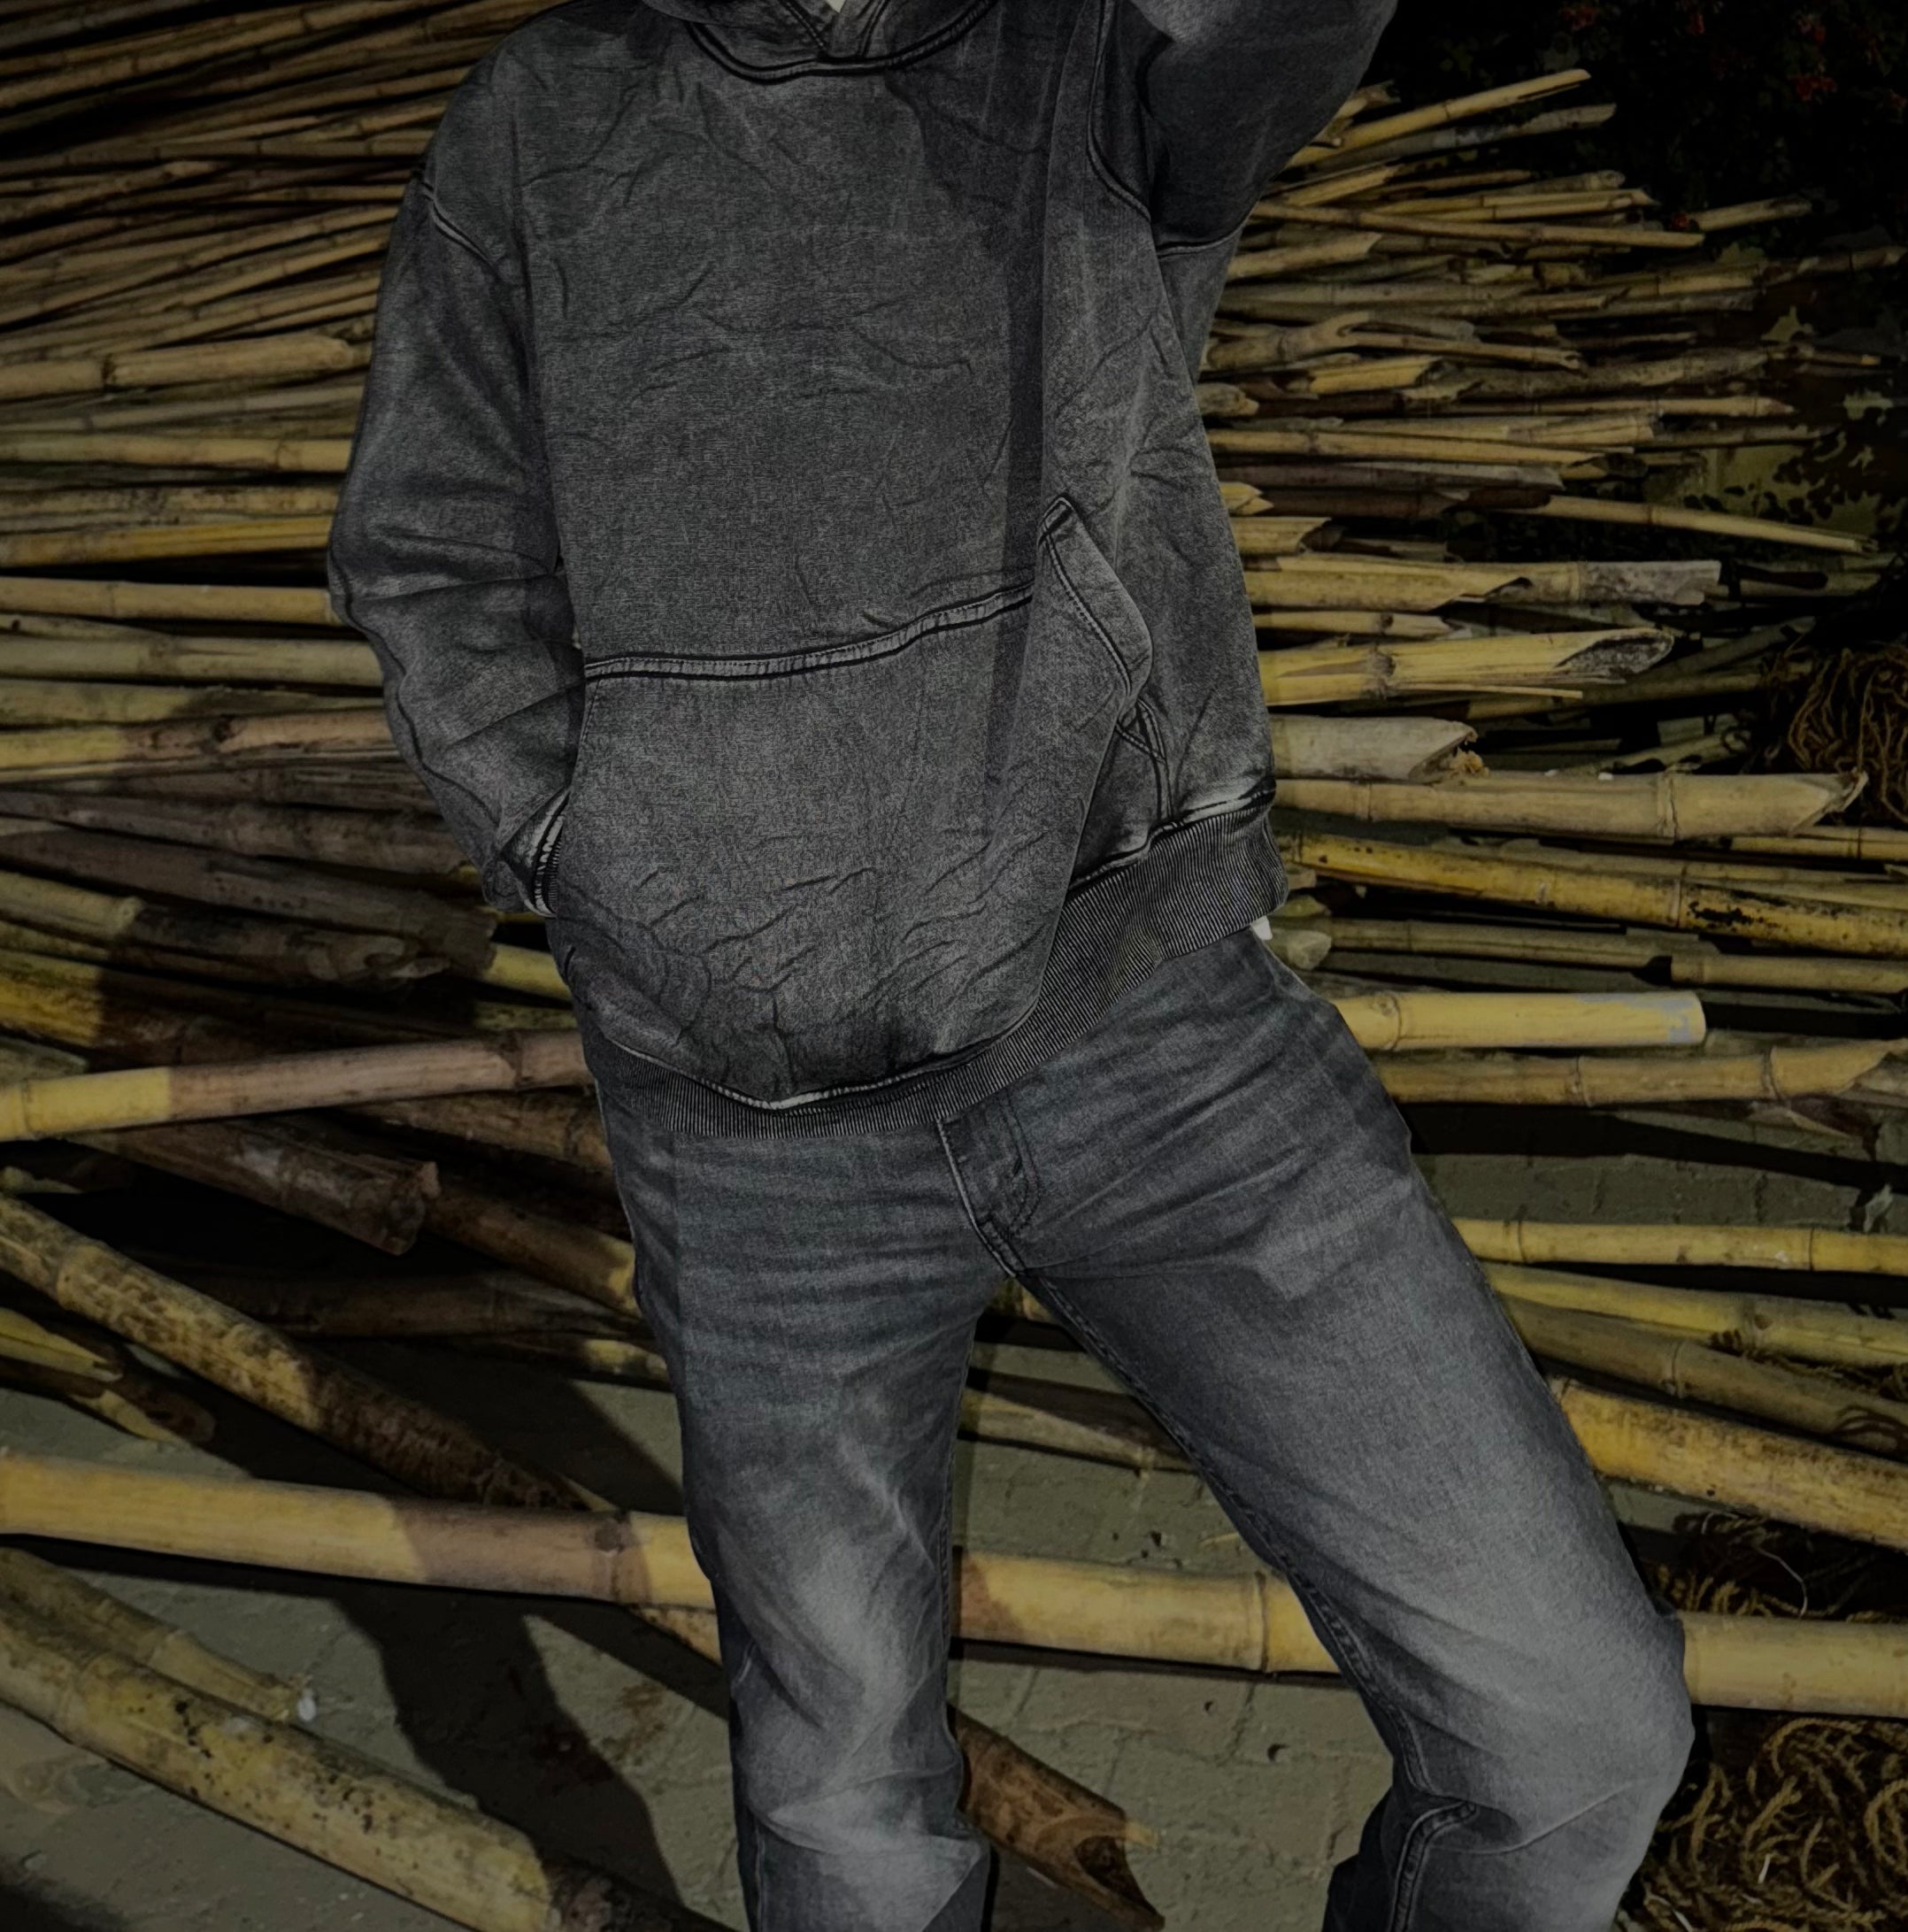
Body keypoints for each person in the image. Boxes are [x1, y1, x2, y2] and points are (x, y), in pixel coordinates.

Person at [325, 3, 1696, 1927]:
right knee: (848, 1827)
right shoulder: (547, 116)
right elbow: (428, 553)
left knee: (1571, 1733)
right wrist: (608, 861)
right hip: (755, 1129)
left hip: (1154, 1040)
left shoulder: (1088, 55)